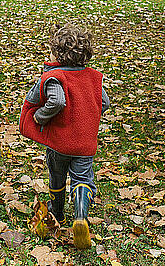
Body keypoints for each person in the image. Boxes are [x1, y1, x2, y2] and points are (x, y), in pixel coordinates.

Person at [19, 23, 110, 249]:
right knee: (82, 179)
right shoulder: (93, 77)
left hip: (60, 143)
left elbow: (57, 101)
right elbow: (105, 103)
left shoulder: (55, 76)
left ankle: (57, 214)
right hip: (84, 144)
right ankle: (80, 215)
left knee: (57, 177)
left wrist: (40, 116)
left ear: (59, 54)